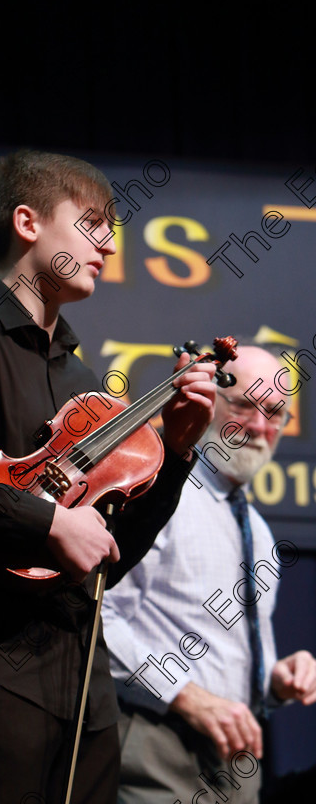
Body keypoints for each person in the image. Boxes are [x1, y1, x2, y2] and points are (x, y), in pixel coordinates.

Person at [0, 149, 217, 804]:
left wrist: (180, 456)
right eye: (90, 224)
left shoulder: (82, 383)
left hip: (83, 681)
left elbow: (107, 557)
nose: (109, 244)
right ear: (27, 223)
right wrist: (46, 519)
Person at [102, 344, 316, 804]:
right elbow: (94, 618)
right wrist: (184, 695)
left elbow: (224, 659)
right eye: (244, 404)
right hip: (154, 747)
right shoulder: (157, 496)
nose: (259, 427)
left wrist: (276, 681)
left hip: (235, 767)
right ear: (210, 400)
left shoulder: (257, 530)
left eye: (275, 413)